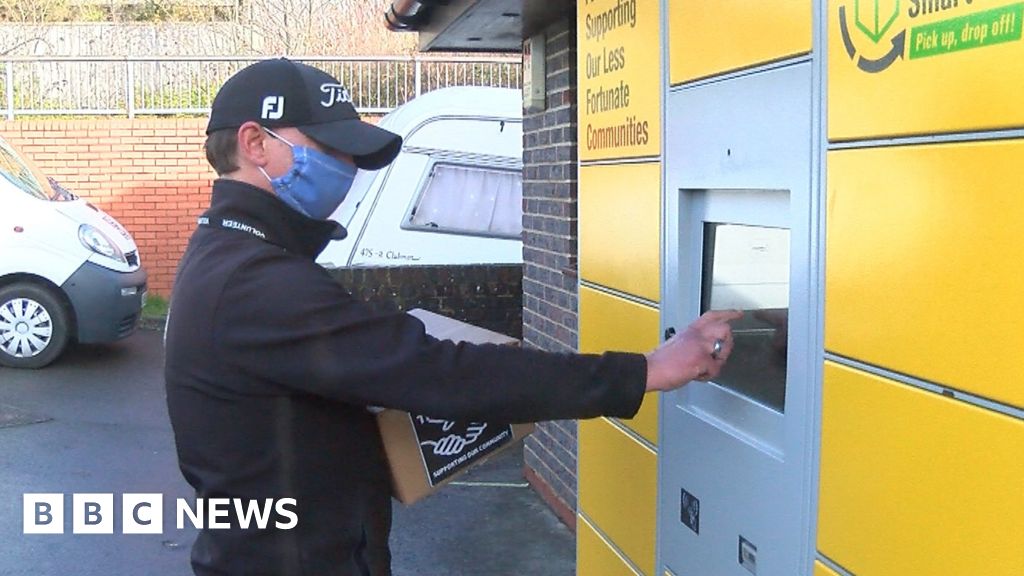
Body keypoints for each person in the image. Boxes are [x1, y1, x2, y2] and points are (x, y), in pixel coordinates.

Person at [164, 58, 741, 576]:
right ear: (254, 143)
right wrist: (644, 370)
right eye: (329, 148)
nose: (346, 169)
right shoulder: (254, 282)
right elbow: (441, 372)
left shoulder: (235, 259)